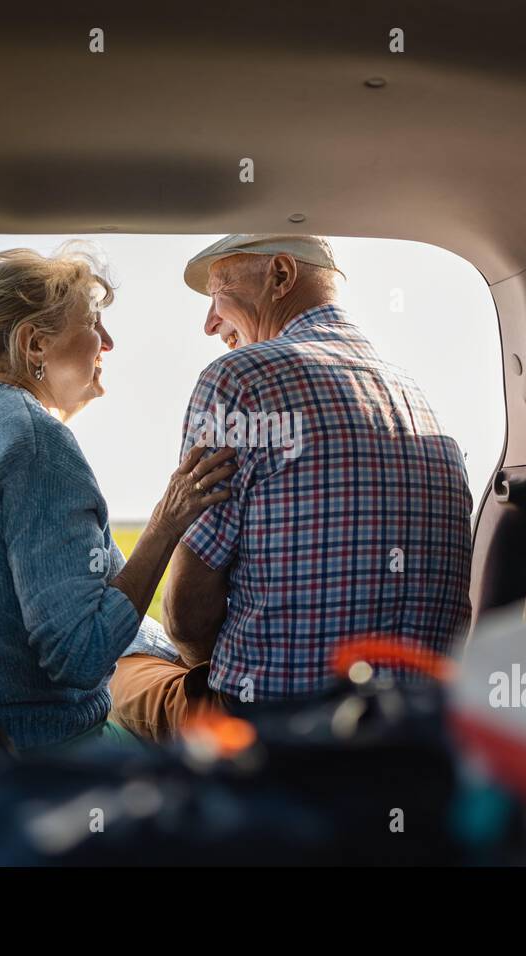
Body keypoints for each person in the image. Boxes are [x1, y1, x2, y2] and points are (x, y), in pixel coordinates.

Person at [110, 235, 473, 739]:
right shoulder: (418, 397)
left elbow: (187, 619)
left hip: (273, 732)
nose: (209, 323)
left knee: (119, 667)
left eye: (218, 293)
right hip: (413, 729)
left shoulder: (238, 379)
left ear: (281, 276)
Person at [0, 244, 234, 752]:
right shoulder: (31, 439)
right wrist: (165, 524)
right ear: (35, 344)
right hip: (40, 747)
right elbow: (80, 655)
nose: (108, 342)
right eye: (93, 323)